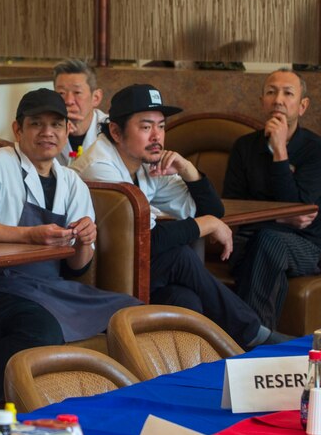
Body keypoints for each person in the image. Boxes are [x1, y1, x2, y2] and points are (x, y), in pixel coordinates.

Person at [0, 88, 141, 429]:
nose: (47, 132)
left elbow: (78, 269)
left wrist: (85, 241)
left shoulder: (71, 182)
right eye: (36, 124)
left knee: (134, 316)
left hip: (48, 288)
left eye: (56, 125)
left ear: (66, 132)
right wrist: (28, 236)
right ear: (18, 130)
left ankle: (114, 416)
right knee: (39, 329)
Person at [73, 83, 280, 348]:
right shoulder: (100, 167)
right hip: (97, 275)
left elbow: (211, 211)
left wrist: (188, 169)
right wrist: (207, 224)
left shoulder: (144, 163)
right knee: (179, 257)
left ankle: (206, 372)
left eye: (161, 126)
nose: (156, 136)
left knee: (185, 299)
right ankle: (253, 335)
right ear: (116, 131)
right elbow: (147, 239)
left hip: (131, 269)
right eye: (146, 127)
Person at [222, 69, 321, 328]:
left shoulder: (319, 150)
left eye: (288, 93)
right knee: (266, 249)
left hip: (304, 246)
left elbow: (299, 207)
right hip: (247, 240)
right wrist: (282, 217)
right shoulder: (244, 147)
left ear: (302, 105)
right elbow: (231, 205)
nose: (278, 99)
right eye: (271, 92)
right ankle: (260, 342)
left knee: (268, 241)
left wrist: (280, 151)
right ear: (262, 101)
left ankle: (246, 338)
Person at [53, 58, 107, 165]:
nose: (68, 101)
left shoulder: (110, 129)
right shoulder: (47, 130)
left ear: (96, 97)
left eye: (77, 92)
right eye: (61, 93)